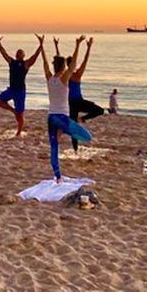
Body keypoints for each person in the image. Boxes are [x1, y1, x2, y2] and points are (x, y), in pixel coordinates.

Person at [39, 34, 92, 183]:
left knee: (54, 147)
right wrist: (77, 45)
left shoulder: (49, 77)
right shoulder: (63, 78)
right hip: (61, 118)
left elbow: (44, 63)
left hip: (51, 118)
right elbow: (74, 64)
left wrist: (41, 45)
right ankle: (63, 131)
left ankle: (58, 177)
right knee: (87, 136)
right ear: (63, 67)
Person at [53, 37, 104, 152]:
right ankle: (83, 119)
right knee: (100, 110)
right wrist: (89, 47)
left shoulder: (64, 75)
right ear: (73, 65)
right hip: (77, 102)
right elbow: (85, 61)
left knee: (73, 128)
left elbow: (59, 62)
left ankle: (75, 150)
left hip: (69, 104)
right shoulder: (77, 75)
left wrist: (56, 46)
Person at [0, 34, 42, 136]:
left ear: (23, 55)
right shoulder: (12, 62)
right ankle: (13, 111)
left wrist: (41, 44)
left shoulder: (25, 64)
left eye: (21, 52)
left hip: (20, 91)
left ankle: (19, 132)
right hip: (11, 90)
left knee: (20, 115)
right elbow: (3, 53)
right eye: (17, 52)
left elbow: (35, 57)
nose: (18, 53)